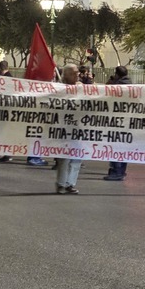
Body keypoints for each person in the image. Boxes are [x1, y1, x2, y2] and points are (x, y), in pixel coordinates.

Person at [55, 64, 84, 194]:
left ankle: (70, 184)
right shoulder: (58, 87)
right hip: (63, 126)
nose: (77, 75)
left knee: (77, 157)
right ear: (65, 74)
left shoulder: (82, 88)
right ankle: (61, 184)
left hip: (78, 126)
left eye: (77, 72)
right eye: (73, 73)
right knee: (64, 157)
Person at [104, 66, 132, 180]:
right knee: (123, 145)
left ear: (117, 74)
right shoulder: (130, 85)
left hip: (116, 120)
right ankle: (121, 170)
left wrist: (111, 82)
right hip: (126, 120)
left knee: (115, 145)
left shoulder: (116, 86)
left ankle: (116, 171)